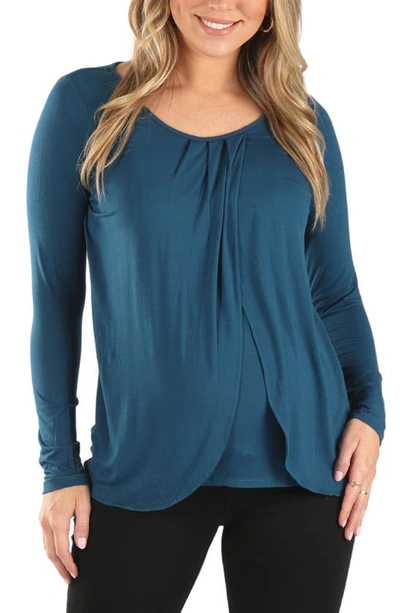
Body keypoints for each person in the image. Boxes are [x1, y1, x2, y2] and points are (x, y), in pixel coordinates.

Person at [26, 1, 385, 612]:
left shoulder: (304, 123)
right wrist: (58, 467)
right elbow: (56, 296)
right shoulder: (88, 107)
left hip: (305, 466)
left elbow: (335, 292)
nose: (222, 3)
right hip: (142, 463)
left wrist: (370, 413)